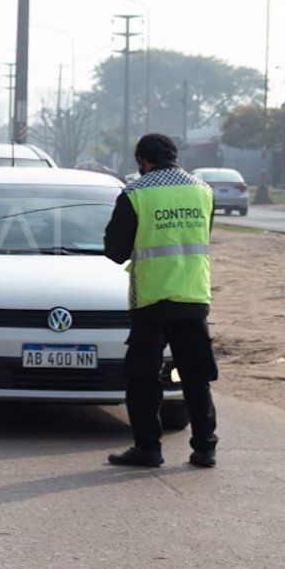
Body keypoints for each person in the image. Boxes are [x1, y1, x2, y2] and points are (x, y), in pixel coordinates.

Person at [103, 133, 218, 469]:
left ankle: (148, 448)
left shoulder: (136, 193)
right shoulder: (202, 190)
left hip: (151, 300)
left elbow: (114, 251)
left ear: (142, 160)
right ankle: (205, 449)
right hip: (193, 297)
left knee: (143, 378)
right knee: (196, 378)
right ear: (174, 156)